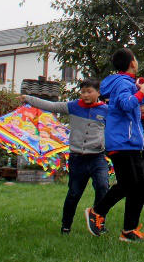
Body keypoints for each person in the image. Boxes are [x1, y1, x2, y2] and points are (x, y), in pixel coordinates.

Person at [85, 50, 144, 241]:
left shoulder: (128, 83)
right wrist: (141, 91)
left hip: (131, 143)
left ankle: (129, 230)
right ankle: (97, 211)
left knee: (139, 186)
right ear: (133, 62)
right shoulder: (122, 84)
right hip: (120, 142)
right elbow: (126, 104)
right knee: (128, 184)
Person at [23, 79, 110, 234]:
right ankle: (66, 226)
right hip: (78, 158)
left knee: (103, 187)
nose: (86, 95)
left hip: (97, 157)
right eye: (83, 92)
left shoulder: (106, 110)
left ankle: (98, 221)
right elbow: (50, 106)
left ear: (98, 93)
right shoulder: (73, 106)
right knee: (74, 193)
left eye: (89, 91)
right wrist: (27, 98)